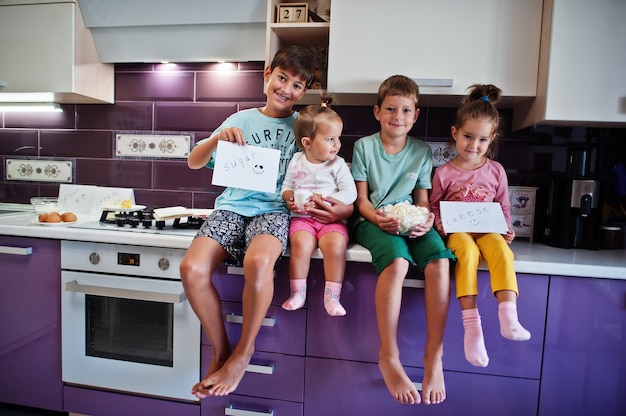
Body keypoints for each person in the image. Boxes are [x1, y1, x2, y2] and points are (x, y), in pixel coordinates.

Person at [179, 45, 353, 398]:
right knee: (191, 269)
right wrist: (215, 140)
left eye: (298, 85)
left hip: (275, 211)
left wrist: (335, 207)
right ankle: (221, 350)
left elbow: (329, 172)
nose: (287, 89)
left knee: (258, 262)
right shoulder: (239, 120)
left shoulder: (306, 125)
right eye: (282, 78)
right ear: (267, 74)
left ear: (305, 92)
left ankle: (244, 352)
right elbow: (194, 163)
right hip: (231, 207)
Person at [351, 75, 456, 406]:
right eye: (391, 109)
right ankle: (389, 355)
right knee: (397, 262)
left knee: (440, 261)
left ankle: (433, 357)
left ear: (416, 115)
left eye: (406, 110)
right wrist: (377, 217)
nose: (398, 117)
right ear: (377, 111)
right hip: (373, 221)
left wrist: (425, 219)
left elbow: (423, 200)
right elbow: (362, 201)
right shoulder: (364, 147)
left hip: (411, 218)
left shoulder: (422, 151)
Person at [430, 84, 531, 369]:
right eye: (467, 137)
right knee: (467, 253)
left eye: (482, 140)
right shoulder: (444, 172)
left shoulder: (496, 171)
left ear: (492, 139)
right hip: (459, 233)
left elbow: (503, 206)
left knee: (501, 250)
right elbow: (435, 205)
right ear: (455, 133)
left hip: (488, 230)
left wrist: (506, 228)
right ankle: (472, 327)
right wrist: (440, 223)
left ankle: (508, 315)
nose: (473, 145)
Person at [280, 95, 357, 316]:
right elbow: (286, 186)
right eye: (330, 139)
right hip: (302, 219)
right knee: (300, 246)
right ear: (307, 143)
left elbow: (350, 192)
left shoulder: (338, 164)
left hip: (330, 219)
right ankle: (298, 293)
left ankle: (332, 298)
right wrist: (289, 199)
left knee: (335, 246)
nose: (337, 144)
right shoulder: (296, 161)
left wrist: (328, 201)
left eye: (337, 138)